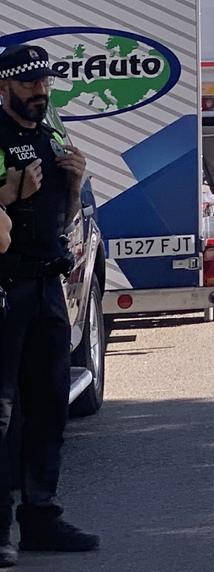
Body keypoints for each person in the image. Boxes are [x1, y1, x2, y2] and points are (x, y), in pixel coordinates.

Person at [0, 46, 97, 558]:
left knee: (49, 409)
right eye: (29, 84)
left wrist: (76, 182)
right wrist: (10, 193)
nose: (40, 92)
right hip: (4, 288)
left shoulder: (51, 135)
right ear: (4, 88)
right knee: (3, 414)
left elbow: (63, 218)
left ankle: (41, 518)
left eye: (44, 83)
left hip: (46, 287)